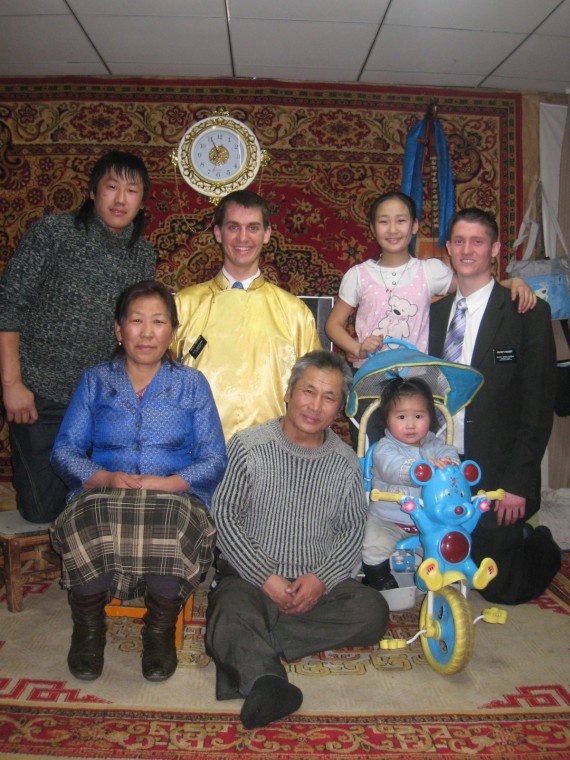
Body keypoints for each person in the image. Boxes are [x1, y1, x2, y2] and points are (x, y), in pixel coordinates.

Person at [50, 281, 227, 683]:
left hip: (172, 496)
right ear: (118, 330)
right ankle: (89, 631)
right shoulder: (95, 380)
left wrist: (168, 484)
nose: (147, 333)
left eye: (158, 322)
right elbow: (64, 450)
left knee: (168, 519)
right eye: (136, 321)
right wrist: (105, 477)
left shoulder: (191, 384)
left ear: (172, 331)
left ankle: (159, 633)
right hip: (103, 492)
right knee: (90, 514)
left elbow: (215, 458)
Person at [206, 350, 389, 729]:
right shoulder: (249, 445)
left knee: (372, 612)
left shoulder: (344, 462)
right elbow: (224, 515)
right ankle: (267, 682)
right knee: (229, 607)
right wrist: (266, 577)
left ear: (339, 407)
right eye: (308, 391)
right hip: (251, 580)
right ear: (289, 392)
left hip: (316, 586)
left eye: (329, 397)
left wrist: (320, 579)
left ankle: (252, 643)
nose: (315, 405)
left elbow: (352, 529)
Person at [0, 151, 157, 523]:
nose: (121, 199)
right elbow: (7, 305)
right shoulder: (53, 233)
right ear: (92, 192)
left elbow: (133, 328)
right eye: (112, 187)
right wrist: (12, 383)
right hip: (40, 394)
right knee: (42, 510)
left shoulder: (142, 255)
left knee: (101, 501)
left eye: (131, 190)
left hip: (99, 401)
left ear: (142, 200)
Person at [324, 191, 536, 446]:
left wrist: (509, 282)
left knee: (419, 451)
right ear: (372, 228)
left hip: (419, 381)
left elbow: (475, 286)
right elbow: (332, 325)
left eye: (401, 220)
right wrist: (357, 347)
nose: (393, 229)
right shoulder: (358, 275)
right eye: (383, 221)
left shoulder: (430, 271)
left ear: (414, 226)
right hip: (372, 379)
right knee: (372, 452)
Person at [429, 207, 561, 605]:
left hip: (498, 473)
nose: (467, 250)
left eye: (478, 241)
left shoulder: (527, 312)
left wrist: (518, 485)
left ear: (495, 249)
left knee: (499, 589)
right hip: (444, 462)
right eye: (459, 241)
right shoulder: (435, 313)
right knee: (438, 569)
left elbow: (538, 406)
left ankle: (539, 541)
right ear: (448, 248)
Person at [172, 190, 321, 441]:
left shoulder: (295, 313)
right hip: (194, 450)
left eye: (253, 228)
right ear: (218, 233)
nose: (243, 238)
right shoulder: (183, 305)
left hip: (271, 454)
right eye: (233, 227)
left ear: (267, 234)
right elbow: (158, 380)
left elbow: (313, 389)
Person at [362, 377, 460, 590]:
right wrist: (421, 468)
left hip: (429, 522)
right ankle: (381, 583)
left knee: (447, 546)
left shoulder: (436, 444)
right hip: (388, 520)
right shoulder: (384, 448)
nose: (410, 424)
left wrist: (450, 465)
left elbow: (451, 457)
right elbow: (393, 468)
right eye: (401, 417)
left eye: (418, 416)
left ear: (430, 417)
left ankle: (442, 580)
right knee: (372, 548)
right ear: (387, 419)